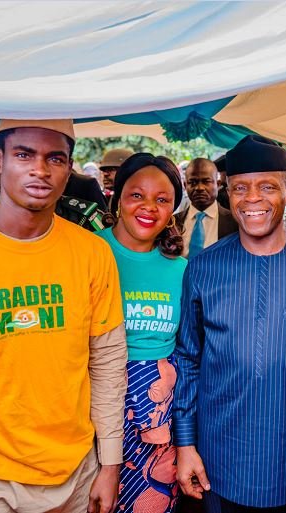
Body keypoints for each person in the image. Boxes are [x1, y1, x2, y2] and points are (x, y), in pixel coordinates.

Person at [0, 119, 127, 513]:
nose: (40, 170)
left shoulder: (92, 253)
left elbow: (108, 362)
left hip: (75, 477)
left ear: (70, 167)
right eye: (24, 155)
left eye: (55, 158)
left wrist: (110, 464)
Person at [173, 135, 286, 513]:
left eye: (267, 186)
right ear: (227, 194)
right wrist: (185, 444)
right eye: (240, 188)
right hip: (219, 456)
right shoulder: (203, 268)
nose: (252, 199)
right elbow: (187, 358)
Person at [97, 153, 187, 513]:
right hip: (94, 412)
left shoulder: (181, 269)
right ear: (118, 197)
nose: (149, 207)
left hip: (157, 420)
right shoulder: (90, 252)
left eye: (162, 199)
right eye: (137, 195)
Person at [174, 157, 238, 259]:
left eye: (206, 181)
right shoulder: (173, 223)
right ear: (185, 185)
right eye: (193, 182)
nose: (199, 188)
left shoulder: (235, 222)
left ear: (217, 184)